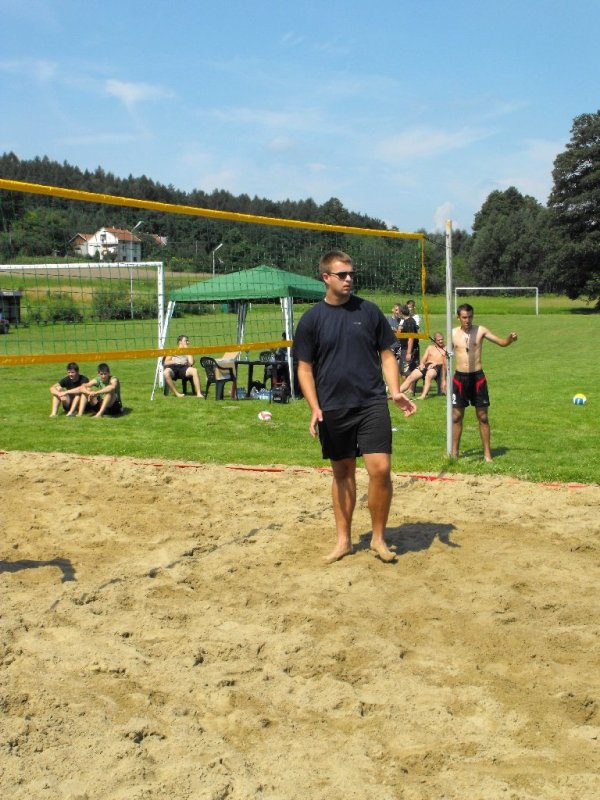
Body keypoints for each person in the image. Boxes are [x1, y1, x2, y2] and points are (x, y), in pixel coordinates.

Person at [294, 250, 416, 564]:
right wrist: (313, 406)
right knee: (343, 473)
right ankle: (344, 541)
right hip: (333, 407)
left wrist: (396, 389)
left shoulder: (369, 311)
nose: (349, 279)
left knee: (381, 470)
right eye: (342, 275)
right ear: (326, 277)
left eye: (351, 274)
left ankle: (378, 538)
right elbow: (304, 368)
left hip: (371, 401)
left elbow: (388, 354)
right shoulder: (311, 319)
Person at [451, 303, 518, 462]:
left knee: (482, 417)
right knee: (456, 417)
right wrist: (443, 379)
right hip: (460, 378)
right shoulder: (453, 333)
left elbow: (502, 342)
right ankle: (454, 454)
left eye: (470, 317)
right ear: (459, 317)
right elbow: (446, 353)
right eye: (464, 317)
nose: (468, 320)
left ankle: (487, 455)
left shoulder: (480, 330)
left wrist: (510, 338)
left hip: (478, 378)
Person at [400, 332, 447, 399]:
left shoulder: (446, 349)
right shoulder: (430, 348)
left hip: (438, 366)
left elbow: (446, 362)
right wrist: (422, 364)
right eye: (438, 340)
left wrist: (436, 363)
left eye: (442, 339)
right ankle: (397, 393)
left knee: (429, 375)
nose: (441, 341)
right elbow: (424, 358)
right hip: (427, 365)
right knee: (410, 377)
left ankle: (423, 395)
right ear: (434, 341)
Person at [397, 305, 420, 377]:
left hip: (409, 349)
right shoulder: (405, 321)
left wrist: (409, 353)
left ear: (401, 312)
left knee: (407, 371)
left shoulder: (410, 322)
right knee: (402, 371)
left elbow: (411, 338)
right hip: (404, 349)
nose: (396, 313)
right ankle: (407, 387)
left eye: (397, 311)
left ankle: (411, 388)